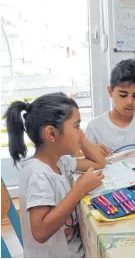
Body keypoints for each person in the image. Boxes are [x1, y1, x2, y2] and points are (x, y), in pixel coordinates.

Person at [4, 93, 106, 257]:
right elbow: (40, 232)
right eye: (76, 126)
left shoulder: (60, 162)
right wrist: (79, 190)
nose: (80, 132)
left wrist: (82, 137)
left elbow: (99, 162)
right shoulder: (38, 174)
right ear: (51, 134)